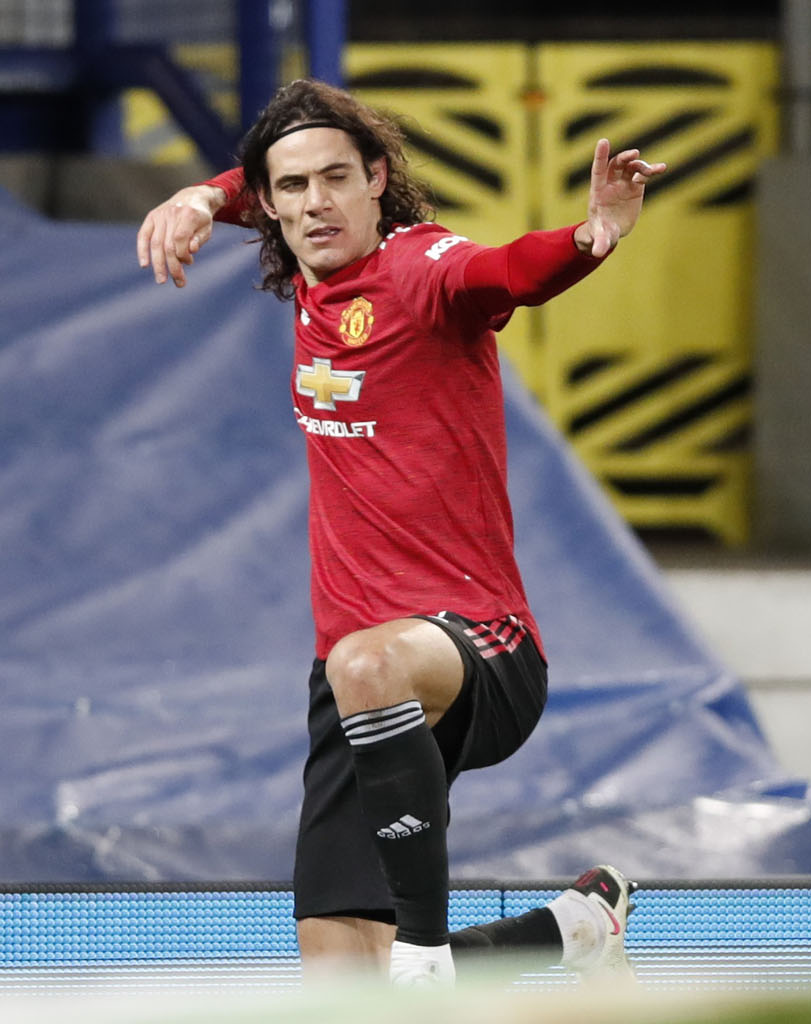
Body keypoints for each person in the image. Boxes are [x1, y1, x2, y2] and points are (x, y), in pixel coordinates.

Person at [136, 78, 666, 987]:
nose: (317, 201)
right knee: (345, 990)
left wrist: (593, 236)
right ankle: (575, 930)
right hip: (354, 686)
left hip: (477, 651)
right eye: (292, 188)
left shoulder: (424, 269)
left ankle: (427, 944)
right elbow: (261, 182)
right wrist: (200, 194)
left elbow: (509, 270)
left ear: (378, 179)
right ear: (266, 205)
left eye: (338, 178)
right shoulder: (305, 272)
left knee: (367, 668)